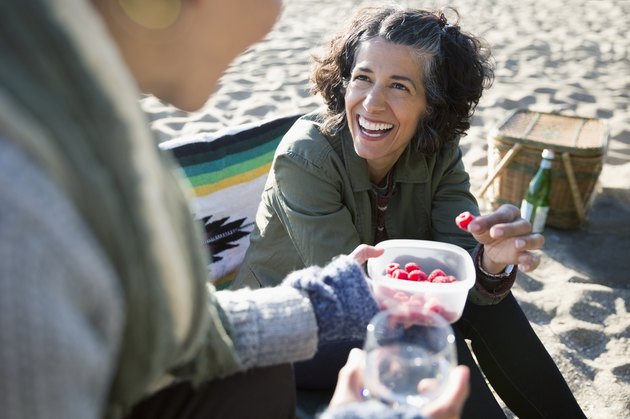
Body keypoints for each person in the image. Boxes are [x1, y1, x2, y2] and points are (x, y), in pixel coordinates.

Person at [0, 1, 468, 419]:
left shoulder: (84, 118)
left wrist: (320, 305)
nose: (268, 24)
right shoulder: (26, 207)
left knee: (251, 373)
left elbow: (178, 339)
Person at [235, 5, 587, 419]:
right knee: (430, 333)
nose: (371, 103)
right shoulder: (306, 157)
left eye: (399, 87)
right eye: (362, 78)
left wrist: (488, 264)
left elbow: (460, 268)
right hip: (291, 334)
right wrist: (440, 296)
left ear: (432, 107)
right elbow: (346, 290)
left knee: (491, 306)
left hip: (380, 307)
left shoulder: (438, 152)